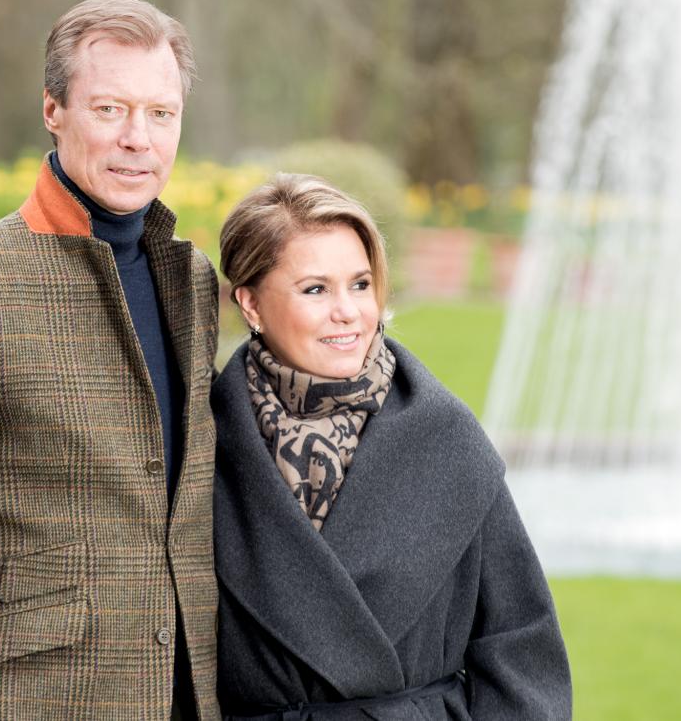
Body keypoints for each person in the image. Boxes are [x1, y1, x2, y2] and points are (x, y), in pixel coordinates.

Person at [0, 0, 221, 720]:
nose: (138, 139)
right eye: (110, 109)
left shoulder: (192, 280)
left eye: (161, 113)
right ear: (53, 110)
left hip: (188, 694)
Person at [211, 174, 571, 720]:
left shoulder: (446, 435)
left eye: (360, 284)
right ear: (251, 304)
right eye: (315, 289)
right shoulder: (201, 442)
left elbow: (521, 645)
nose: (349, 311)